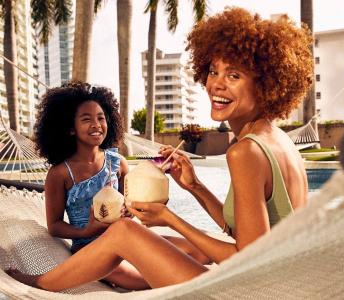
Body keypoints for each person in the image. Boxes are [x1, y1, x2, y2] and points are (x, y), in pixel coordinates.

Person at [7, 7, 313, 291]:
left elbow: (245, 256)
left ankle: (40, 285)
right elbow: (245, 233)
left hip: (250, 292)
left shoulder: (245, 151)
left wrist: (169, 218)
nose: (216, 85)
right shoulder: (278, 140)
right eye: (213, 71)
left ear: (266, 85)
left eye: (234, 75)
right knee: (137, 235)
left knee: (124, 234)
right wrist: (195, 187)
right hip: (276, 284)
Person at [25, 81, 149, 290]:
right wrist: (86, 232)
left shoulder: (117, 163)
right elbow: (54, 226)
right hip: (91, 250)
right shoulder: (60, 174)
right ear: (70, 129)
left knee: (195, 253)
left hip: (127, 239)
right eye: (86, 119)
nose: (96, 124)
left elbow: (131, 206)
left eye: (101, 118)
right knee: (151, 281)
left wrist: (131, 211)